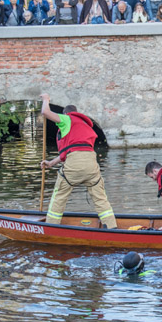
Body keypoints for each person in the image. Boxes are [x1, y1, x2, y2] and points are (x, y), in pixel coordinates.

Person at [40, 94, 117, 228]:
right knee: (100, 199)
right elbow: (73, 148)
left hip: (75, 163)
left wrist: (46, 99)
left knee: (60, 196)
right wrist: (51, 163)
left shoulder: (67, 119)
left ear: (66, 113)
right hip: (92, 163)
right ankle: (111, 227)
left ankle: (50, 227)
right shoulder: (86, 125)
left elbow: (45, 112)